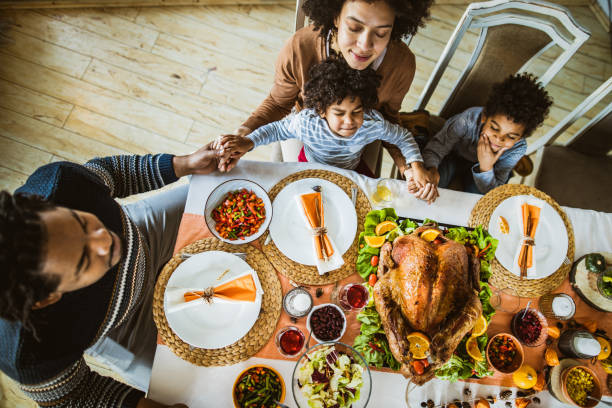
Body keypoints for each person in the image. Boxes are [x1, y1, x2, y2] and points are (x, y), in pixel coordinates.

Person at [0, 144, 221, 407]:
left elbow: (112, 174)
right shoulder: (28, 355)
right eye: (83, 259)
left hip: (145, 234)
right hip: (123, 328)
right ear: (46, 299)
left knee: (224, 190)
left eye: (81, 222)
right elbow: (77, 396)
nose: (104, 240)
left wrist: (184, 163)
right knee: (207, 393)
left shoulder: (61, 182)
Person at [218, 0, 433, 176]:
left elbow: (389, 119)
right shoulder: (300, 47)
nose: (365, 45)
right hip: (308, 135)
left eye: (381, 33)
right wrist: (243, 135)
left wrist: (408, 167)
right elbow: (277, 104)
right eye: (354, 28)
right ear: (336, 16)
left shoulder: (402, 63)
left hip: (361, 135)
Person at [217, 58, 431, 187]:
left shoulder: (371, 123)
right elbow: (276, 129)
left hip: (352, 169)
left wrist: (416, 165)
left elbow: (402, 136)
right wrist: (249, 142)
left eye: (357, 111)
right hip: (310, 164)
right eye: (339, 113)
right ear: (321, 111)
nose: (350, 121)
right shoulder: (306, 123)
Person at [406, 73, 553, 201]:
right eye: (494, 128)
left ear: (521, 137)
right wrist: (431, 170)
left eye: (511, 136)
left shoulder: (518, 148)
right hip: (453, 154)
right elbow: (437, 148)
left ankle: (512, 163)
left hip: (488, 168)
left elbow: (494, 191)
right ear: (484, 117)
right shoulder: (466, 121)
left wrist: (486, 167)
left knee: (479, 199)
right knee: (430, 184)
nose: (499, 139)